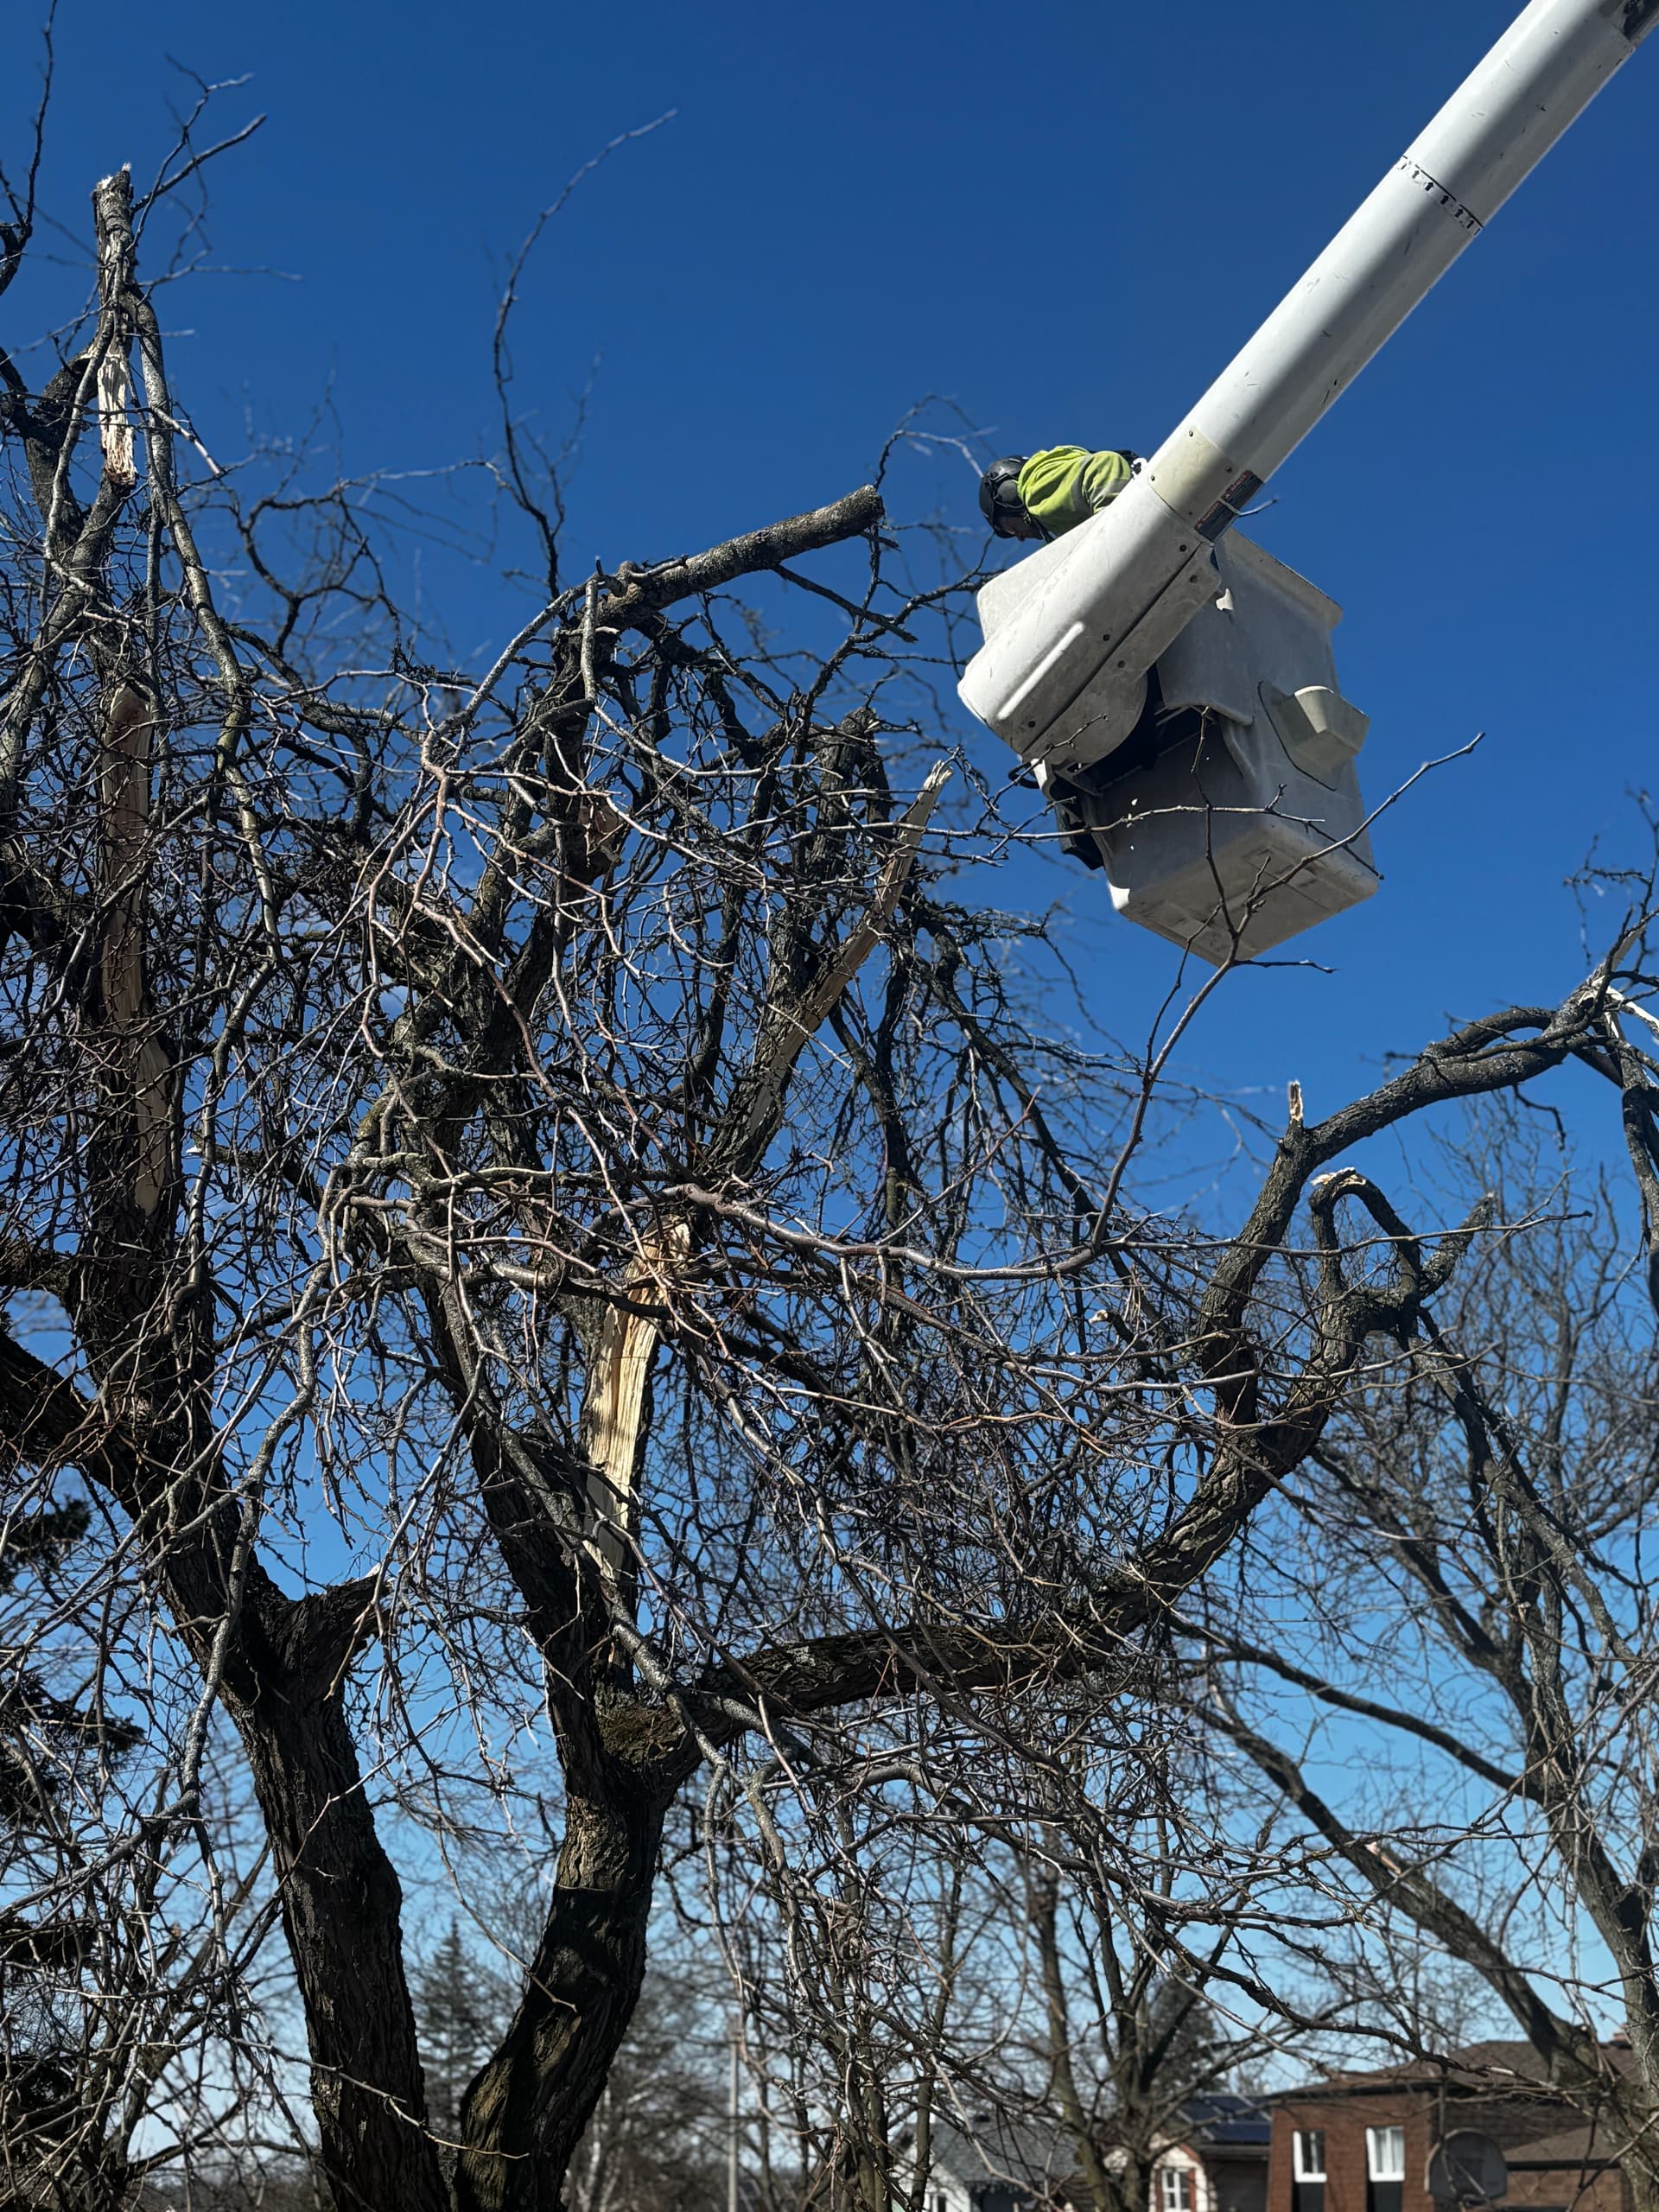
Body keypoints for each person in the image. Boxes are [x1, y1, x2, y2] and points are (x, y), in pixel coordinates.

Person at [978, 445, 1137, 542]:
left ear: (1008, 496)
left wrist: (1113, 530)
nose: (1019, 537)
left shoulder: (1036, 494)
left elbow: (1104, 464)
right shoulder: (1051, 518)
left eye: (1010, 528)